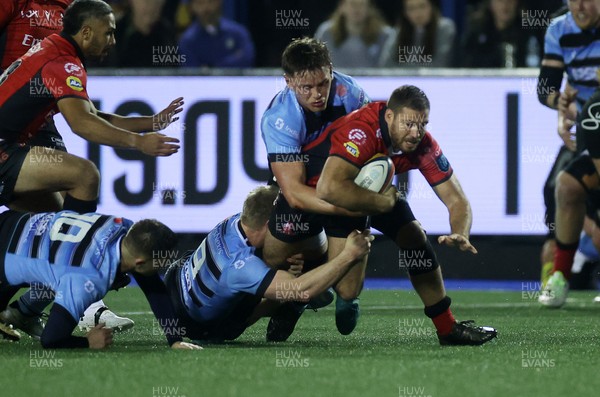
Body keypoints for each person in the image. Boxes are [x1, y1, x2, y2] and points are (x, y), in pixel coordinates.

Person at [312, 85, 497, 345]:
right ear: (389, 117)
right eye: (409, 124)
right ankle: (303, 295)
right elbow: (330, 188)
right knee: (347, 290)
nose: (416, 133)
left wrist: (460, 232)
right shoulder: (362, 130)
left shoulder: (423, 144)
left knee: (413, 235)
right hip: (334, 197)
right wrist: (380, 202)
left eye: (422, 124)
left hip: (376, 195)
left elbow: (457, 200)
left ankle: (447, 328)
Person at [0, 0, 138, 338]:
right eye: (108, 34)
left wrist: (143, 126)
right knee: (82, 179)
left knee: (53, 225)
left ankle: (30, 308)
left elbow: (87, 113)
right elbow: (83, 123)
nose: (111, 41)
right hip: (14, 116)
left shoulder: (70, 11)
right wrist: (138, 143)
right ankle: (82, 299)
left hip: (35, 117)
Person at [260, 37, 371, 340]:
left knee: (348, 290)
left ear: (331, 71)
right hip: (307, 196)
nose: (317, 94)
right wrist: (348, 206)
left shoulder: (352, 94)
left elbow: (375, 151)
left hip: (344, 184)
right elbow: (294, 194)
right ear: (288, 81)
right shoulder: (279, 119)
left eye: (322, 83)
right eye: (305, 88)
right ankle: (301, 297)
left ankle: (338, 294)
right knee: (272, 259)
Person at [163, 186, 373, 342]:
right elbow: (301, 290)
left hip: (177, 278)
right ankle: (285, 308)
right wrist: (349, 255)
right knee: (290, 292)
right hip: (198, 325)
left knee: (259, 271)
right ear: (269, 224)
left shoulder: (235, 221)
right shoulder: (241, 266)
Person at [0, 209, 201, 350]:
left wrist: (174, 339)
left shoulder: (123, 228)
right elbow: (51, 339)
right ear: (139, 263)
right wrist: (88, 342)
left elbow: (153, 287)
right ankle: (20, 312)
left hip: (12, 221)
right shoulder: (90, 277)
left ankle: (21, 313)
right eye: (159, 262)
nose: (162, 266)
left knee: (53, 269)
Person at [536, 0, 600, 307]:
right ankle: (559, 276)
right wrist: (562, 105)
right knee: (562, 188)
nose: (580, 5)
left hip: (591, 123)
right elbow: (545, 88)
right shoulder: (559, 29)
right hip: (589, 130)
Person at [313, 0, 394, 68]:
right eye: (353, 4)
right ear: (342, 6)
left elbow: (389, 68)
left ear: (369, 8)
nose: (357, 9)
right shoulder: (326, 33)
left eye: (361, 5)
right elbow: (316, 63)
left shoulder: (385, 35)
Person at [461, 0, 541, 68]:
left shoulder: (529, 32)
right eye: (500, 0)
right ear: (491, 3)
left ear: (517, 3)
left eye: (509, 0)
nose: (505, 5)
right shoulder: (477, 34)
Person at [179, 0, 255, 68]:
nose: (206, 8)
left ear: (219, 2)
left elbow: (247, 58)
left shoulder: (238, 32)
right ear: (192, 7)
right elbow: (191, 72)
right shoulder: (187, 41)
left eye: (210, 1)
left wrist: (213, 67)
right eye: (200, 3)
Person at [379, 0, 456, 68]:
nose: (417, 13)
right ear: (405, 12)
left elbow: (440, 64)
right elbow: (385, 65)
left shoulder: (445, 28)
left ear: (431, 6)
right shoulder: (400, 31)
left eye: (422, 6)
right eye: (411, 8)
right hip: (403, 83)